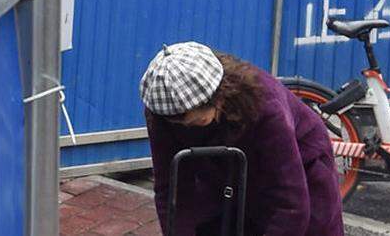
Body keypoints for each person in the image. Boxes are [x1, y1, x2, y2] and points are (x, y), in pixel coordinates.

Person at [141, 42, 344, 236]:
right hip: (226, 170)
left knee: (306, 225)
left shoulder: (265, 106)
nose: (184, 126)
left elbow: (291, 205)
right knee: (216, 223)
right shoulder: (163, 111)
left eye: (194, 121)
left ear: (218, 97)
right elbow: (172, 190)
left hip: (301, 161)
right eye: (178, 123)